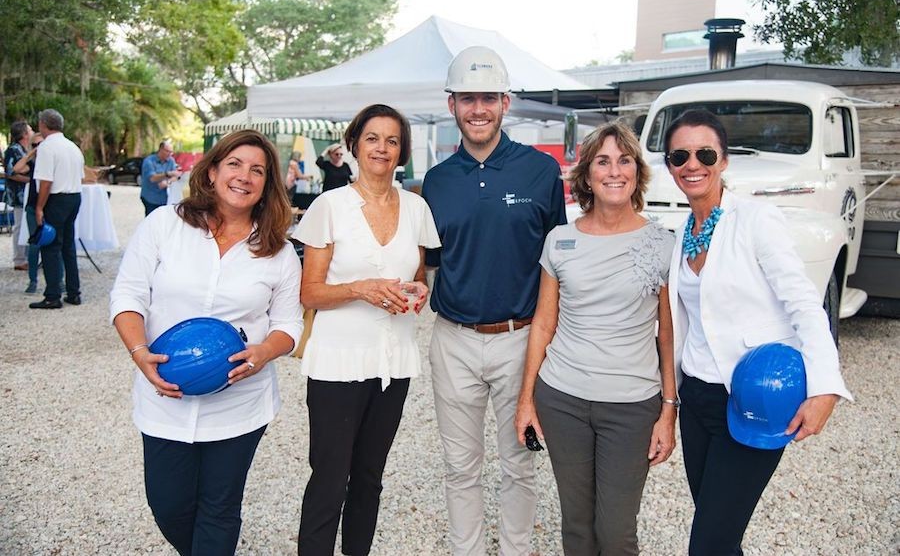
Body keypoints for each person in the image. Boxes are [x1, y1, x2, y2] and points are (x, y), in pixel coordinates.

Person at [662, 109, 853, 555]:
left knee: (709, 544)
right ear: (670, 165)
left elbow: (804, 304)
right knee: (720, 535)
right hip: (697, 400)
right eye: (680, 156)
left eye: (705, 154)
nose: (693, 164)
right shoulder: (682, 233)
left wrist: (825, 388)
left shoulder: (755, 220)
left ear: (724, 160)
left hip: (752, 398)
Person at [109, 129, 302, 556]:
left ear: (267, 184)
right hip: (166, 397)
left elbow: (289, 325)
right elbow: (128, 295)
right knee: (169, 506)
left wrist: (264, 352)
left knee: (219, 509)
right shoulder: (164, 225)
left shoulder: (279, 252)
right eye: (234, 164)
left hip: (240, 405)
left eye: (257, 170)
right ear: (212, 171)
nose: (244, 176)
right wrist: (140, 353)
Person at [422, 46, 566, 556]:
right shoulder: (436, 181)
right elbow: (426, 262)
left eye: (488, 98)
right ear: (452, 105)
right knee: (460, 466)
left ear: (505, 103)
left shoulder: (540, 171)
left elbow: (557, 263)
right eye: (467, 99)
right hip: (453, 340)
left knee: (519, 463)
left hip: (521, 339)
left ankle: (515, 550)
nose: (478, 109)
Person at [514, 122, 676, 555]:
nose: (614, 171)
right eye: (603, 162)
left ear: (637, 172)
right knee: (577, 526)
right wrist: (527, 400)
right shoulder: (560, 240)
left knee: (616, 532)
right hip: (562, 399)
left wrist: (669, 410)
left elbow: (667, 335)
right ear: (587, 175)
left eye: (624, 161)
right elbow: (543, 324)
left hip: (632, 406)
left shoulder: (663, 245)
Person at [293, 103, 439, 556]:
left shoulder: (416, 208)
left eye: (392, 141)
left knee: (370, 478)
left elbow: (419, 277)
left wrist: (417, 291)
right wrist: (360, 289)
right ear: (354, 144)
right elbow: (309, 293)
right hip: (337, 362)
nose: (382, 148)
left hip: (393, 362)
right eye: (372, 138)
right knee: (330, 478)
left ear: (402, 152)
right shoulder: (329, 206)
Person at [30, 109, 84, 309]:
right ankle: (73, 292)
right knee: (68, 245)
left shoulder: (47, 147)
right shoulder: (73, 147)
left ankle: (52, 295)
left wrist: (39, 207)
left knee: (51, 246)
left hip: (56, 198)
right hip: (74, 196)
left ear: (43, 124)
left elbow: (46, 181)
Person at [12, 132, 45, 293]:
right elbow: (16, 169)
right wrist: (31, 154)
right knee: (34, 244)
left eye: (41, 144)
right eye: (34, 144)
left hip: (49, 206)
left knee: (54, 245)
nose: (38, 147)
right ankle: (33, 280)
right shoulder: (32, 164)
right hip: (32, 206)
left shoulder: (51, 161)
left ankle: (59, 281)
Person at [4, 121, 33, 271]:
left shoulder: (26, 149)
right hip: (19, 193)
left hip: (27, 192)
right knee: (20, 224)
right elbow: (10, 172)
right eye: (30, 130)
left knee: (27, 224)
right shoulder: (13, 150)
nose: (33, 132)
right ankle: (19, 259)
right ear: (24, 134)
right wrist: (29, 180)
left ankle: (27, 257)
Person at [140, 140, 181, 216]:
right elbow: (152, 178)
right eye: (167, 151)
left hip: (164, 199)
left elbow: (176, 176)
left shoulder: (171, 161)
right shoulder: (149, 161)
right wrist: (168, 174)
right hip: (150, 197)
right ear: (161, 150)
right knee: (152, 219)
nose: (170, 154)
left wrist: (168, 182)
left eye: (171, 152)